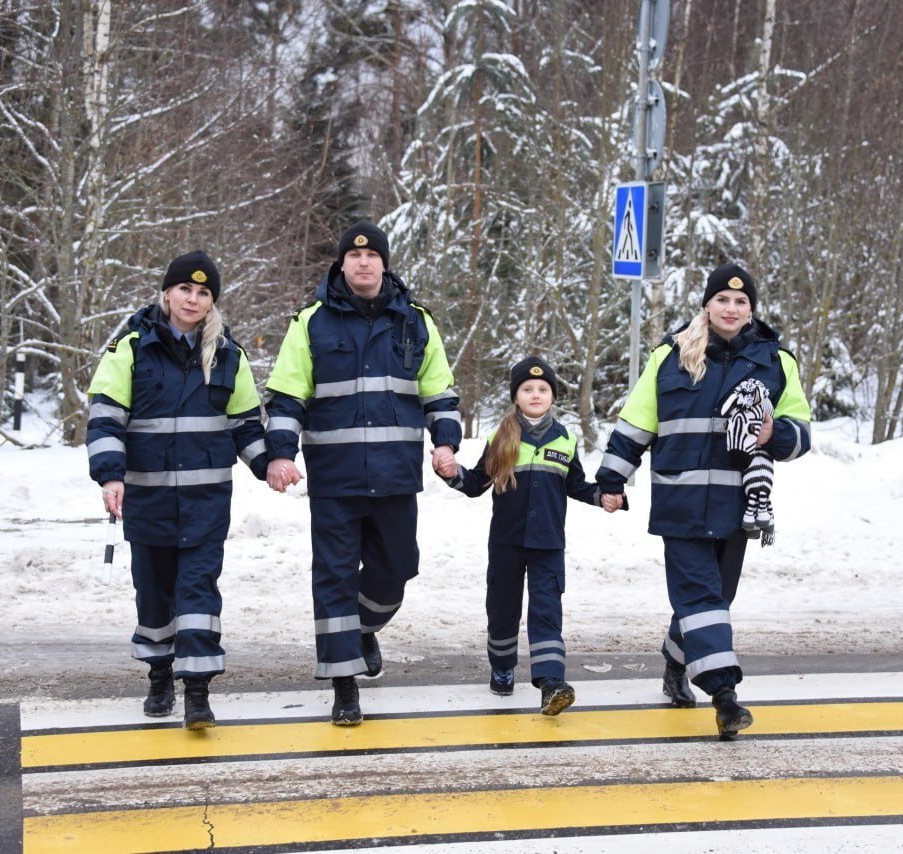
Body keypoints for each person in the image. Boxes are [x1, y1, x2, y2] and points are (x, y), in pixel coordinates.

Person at [596, 263, 811, 739]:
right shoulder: (670, 356)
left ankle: (675, 662)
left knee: (714, 600)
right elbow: (637, 423)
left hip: (739, 506)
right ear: (707, 305)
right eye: (722, 300)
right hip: (681, 501)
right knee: (701, 597)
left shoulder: (777, 362)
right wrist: (612, 479)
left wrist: (776, 434)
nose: (731, 308)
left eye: (741, 302)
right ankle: (725, 696)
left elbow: (801, 433)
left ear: (751, 310)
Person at [264, 221, 461, 726]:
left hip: (396, 475)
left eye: (372, 255)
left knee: (398, 568)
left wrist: (445, 443)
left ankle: (362, 628)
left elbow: (439, 392)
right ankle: (344, 685)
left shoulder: (415, 321)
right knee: (333, 577)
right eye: (354, 256)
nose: (364, 262)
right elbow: (286, 396)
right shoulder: (310, 322)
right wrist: (280, 454)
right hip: (335, 478)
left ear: (384, 263)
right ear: (342, 263)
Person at [86, 250, 270, 730]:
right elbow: (105, 419)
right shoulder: (129, 348)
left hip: (206, 504)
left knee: (197, 593)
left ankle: (198, 692)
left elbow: (245, 425)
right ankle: (159, 675)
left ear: (212, 302)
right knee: (153, 594)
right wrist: (110, 475)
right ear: (166, 293)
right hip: (148, 501)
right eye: (185, 289)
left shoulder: (229, 355)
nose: (193, 298)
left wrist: (269, 464)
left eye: (203, 292)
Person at [434, 356, 615, 715]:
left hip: (549, 543)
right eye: (527, 389)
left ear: (553, 396)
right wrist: (451, 473)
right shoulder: (500, 437)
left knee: (547, 610)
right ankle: (502, 666)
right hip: (507, 542)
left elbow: (576, 485)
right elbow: (476, 484)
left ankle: (551, 683)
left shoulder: (565, 439)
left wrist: (602, 496)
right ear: (516, 396)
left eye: (543, 389)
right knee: (502, 608)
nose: (535, 394)